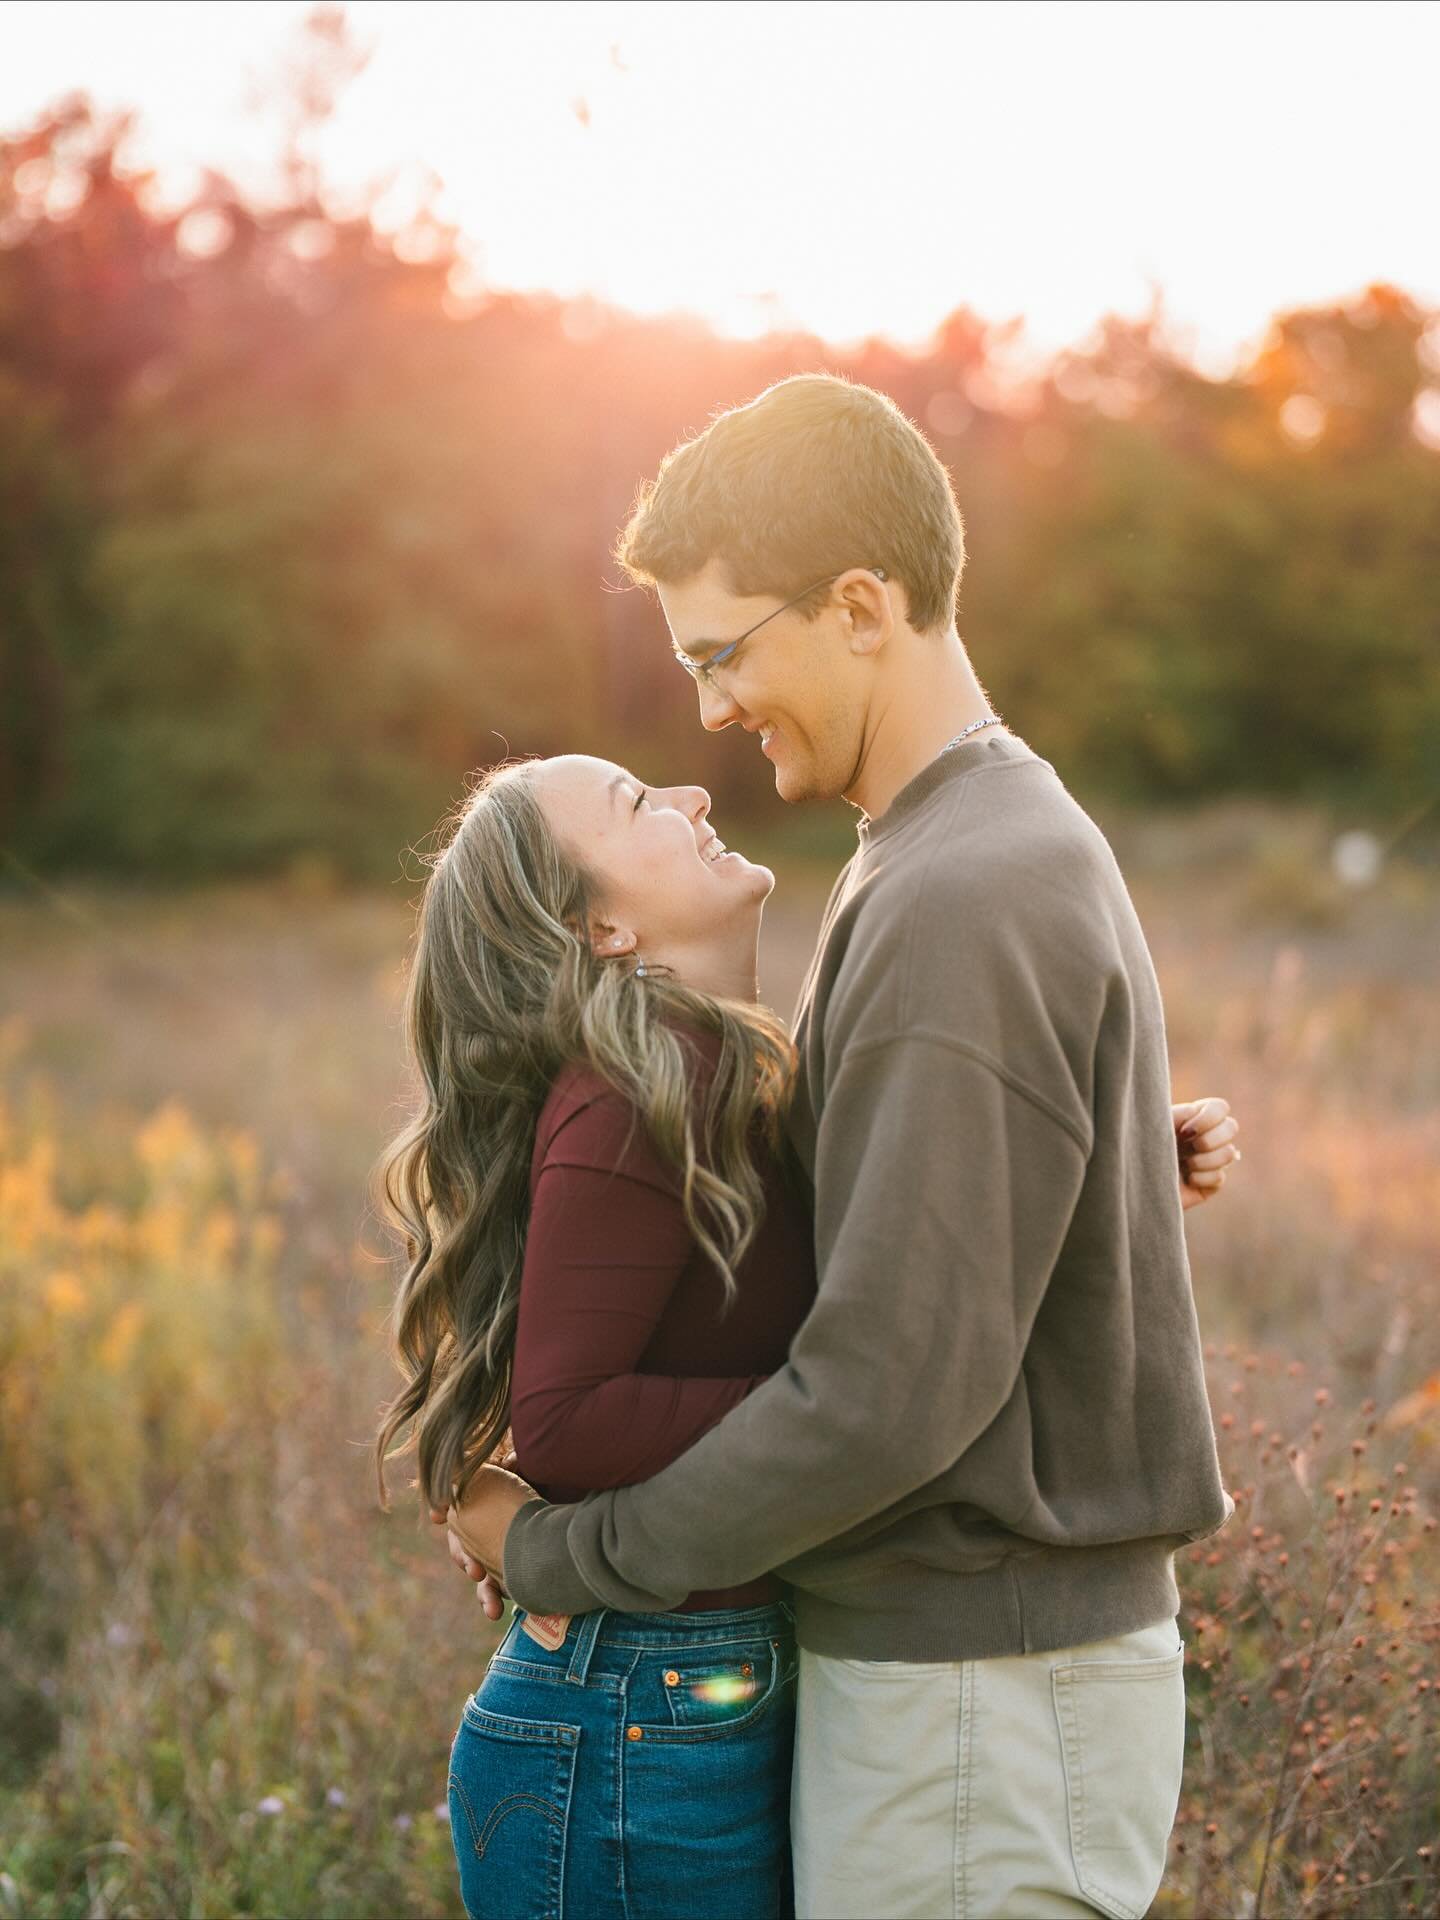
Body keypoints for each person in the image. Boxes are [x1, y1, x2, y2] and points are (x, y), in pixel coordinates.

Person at [439, 374, 1238, 1920]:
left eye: (722, 653)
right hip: (959, 1685)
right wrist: (1116, 1148)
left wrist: (566, 1555)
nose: (710, 712)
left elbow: (885, 1395)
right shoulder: (937, 851)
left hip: (982, 1700)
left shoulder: (962, 885)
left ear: (861, 605)